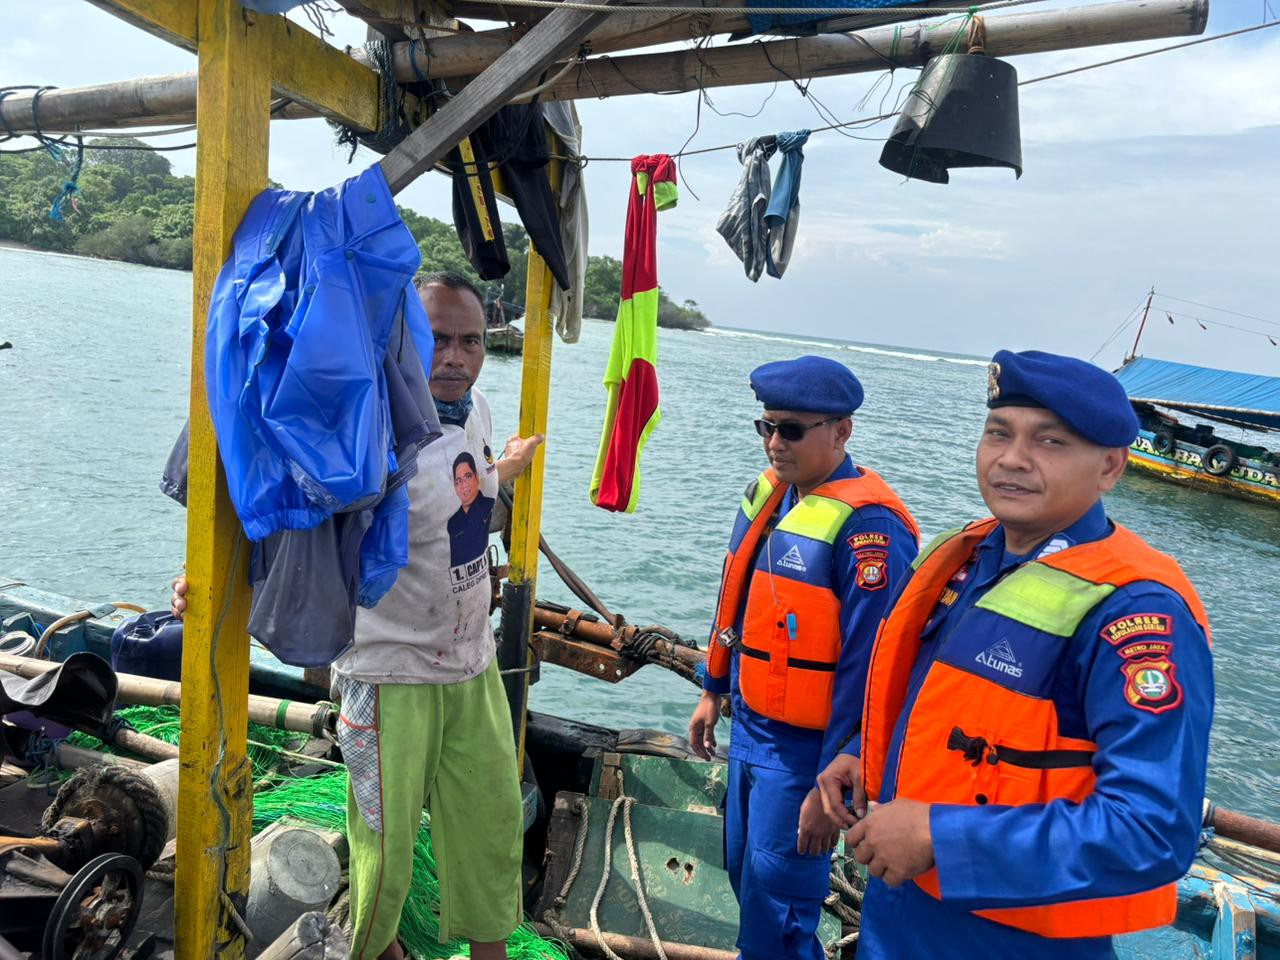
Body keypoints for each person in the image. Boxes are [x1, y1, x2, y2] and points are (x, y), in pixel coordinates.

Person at [173, 271, 544, 960]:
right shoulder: (366, 433)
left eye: (471, 340)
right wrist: (210, 582)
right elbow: (291, 525)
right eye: (436, 339)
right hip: (388, 674)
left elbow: (469, 515)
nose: (455, 357)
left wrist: (507, 476)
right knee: (386, 845)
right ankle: (377, 951)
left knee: (491, 825)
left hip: (470, 664)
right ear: (401, 336)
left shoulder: (479, 414)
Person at [816, 350, 1214, 960]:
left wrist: (941, 838)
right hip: (899, 913)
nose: (1011, 458)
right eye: (998, 433)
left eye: (1049, 441)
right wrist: (859, 755)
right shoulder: (968, 557)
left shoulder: (1136, 614)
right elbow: (937, 702)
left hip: (1013, 937)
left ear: (1110, 467)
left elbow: (1152, 831)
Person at [688, 355, 920, 960]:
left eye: (791, 429)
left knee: (780, 899)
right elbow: (734, 597)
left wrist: (836, 775)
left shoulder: (870, 528)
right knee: (746, 874)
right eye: (765, 426)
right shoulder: (770, 494)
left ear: (841, 432)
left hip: (805, 753)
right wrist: (712, 688)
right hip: (752, 727)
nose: (773, 442)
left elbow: (873, 665)